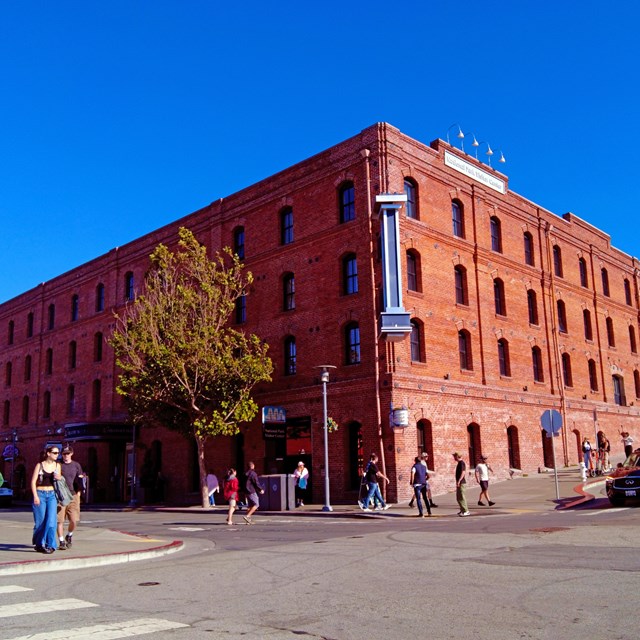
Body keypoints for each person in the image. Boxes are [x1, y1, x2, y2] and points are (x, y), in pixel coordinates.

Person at [30, 445, 62, 553]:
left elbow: (59, 481)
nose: (57, 455)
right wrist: (35, 496)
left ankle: (51, 545)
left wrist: (59, 477)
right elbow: (33, 481)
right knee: (40, 522)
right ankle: (39, 544)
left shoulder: (57, 465)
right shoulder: (39, 465)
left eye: (58, 453)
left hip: (52, 494)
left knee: (52, 521)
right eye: (55, 453)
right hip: (40, 494)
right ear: (48, 453)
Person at [56, 446, 85, 550]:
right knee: (60, 521)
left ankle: (69, 535)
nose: (66, 455)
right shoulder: (58, 465)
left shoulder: (76, 465)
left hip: (73, 495)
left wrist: (79, 494)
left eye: (68, 453)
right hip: (61, 496)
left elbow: (80, 480)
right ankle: (61, 541)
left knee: (74, 520)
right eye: (64, 454)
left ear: (71, 453)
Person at [453, 452, 470, 516]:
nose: (454, 457)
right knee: (458, 497)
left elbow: (463, 472)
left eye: (454, 456)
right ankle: (462, 509)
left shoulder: (461, 463)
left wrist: (459, 480)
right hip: (460, 482)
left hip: (462, 482)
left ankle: (466, 511)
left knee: (461, 497)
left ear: (457, 456)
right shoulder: (459, 463)